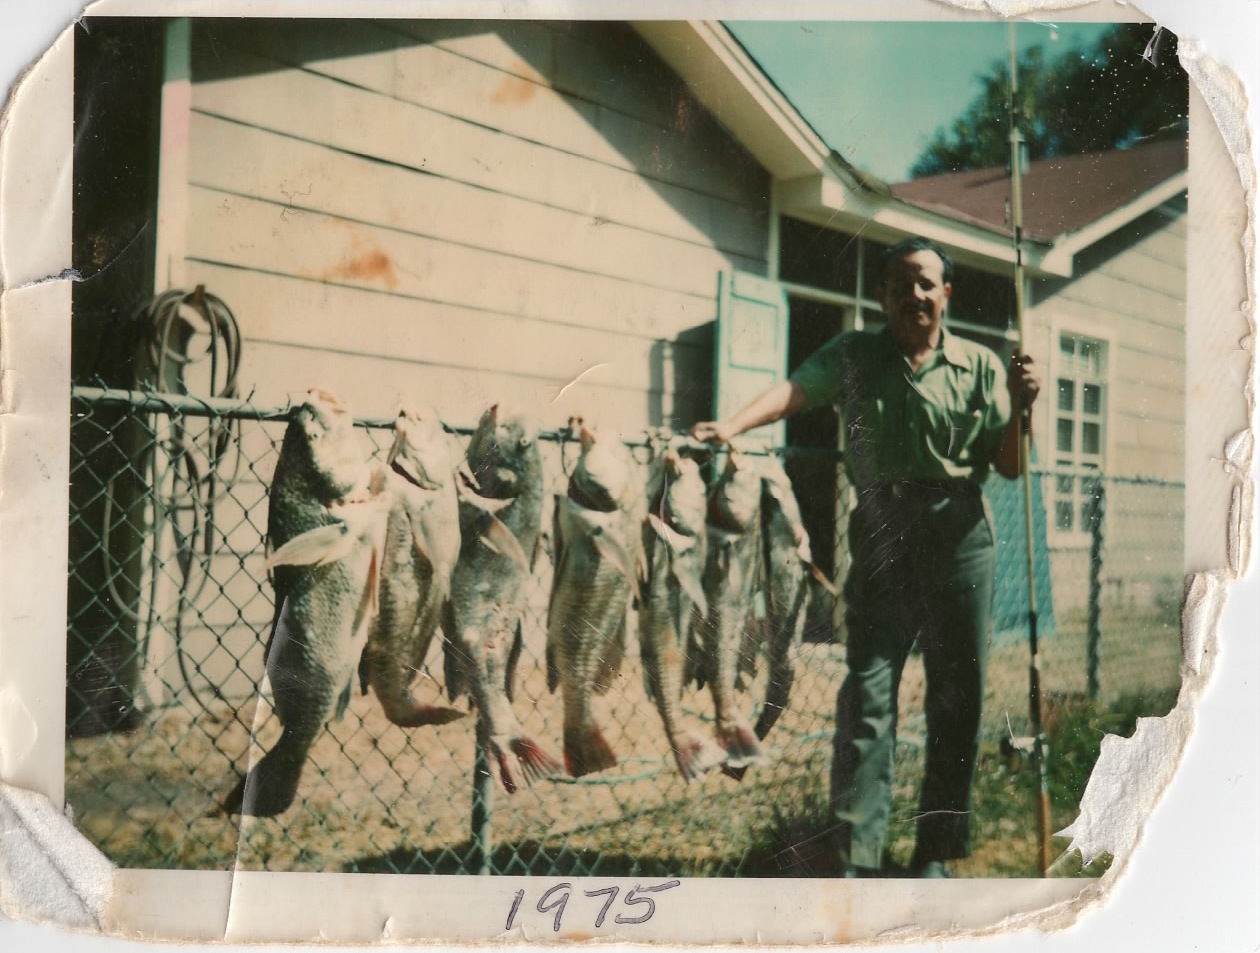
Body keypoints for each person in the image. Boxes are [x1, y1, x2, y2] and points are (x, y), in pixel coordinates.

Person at [691, 236, 1041, 878]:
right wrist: (733, 426)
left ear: (946, 294)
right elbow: (796, 390)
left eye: (927, 283)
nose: (915, 294)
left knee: (957, 696)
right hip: (882, 530)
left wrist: (1023, 407)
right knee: (868, 690)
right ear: (882, 294)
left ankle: (935, 851)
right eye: (902, 283)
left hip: (961, 534)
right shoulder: (853, 354)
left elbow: (1011, 467)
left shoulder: (981, 366)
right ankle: (856, 850)